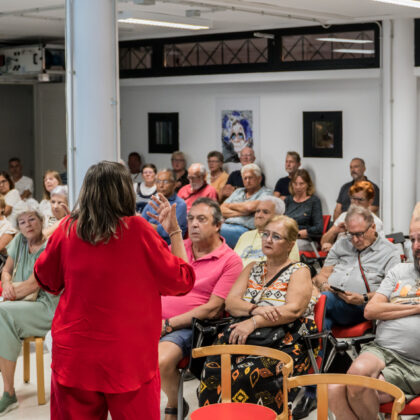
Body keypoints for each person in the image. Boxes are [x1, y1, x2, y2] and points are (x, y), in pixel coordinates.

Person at [34, 161, 196, 420]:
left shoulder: (67, 230)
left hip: (76, 353)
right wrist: (175, 231)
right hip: (128, 357)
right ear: (125, 192)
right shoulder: (138, 231)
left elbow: (46, 280)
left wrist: (59, 231)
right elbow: (182, 280)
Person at [198, 215, 318, 414]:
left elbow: (293, 310)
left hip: (287, 339)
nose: (268, 240)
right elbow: (231, 303)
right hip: (243, 335)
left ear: (290, 244)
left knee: (243, 375)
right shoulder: (253, 267)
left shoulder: (299, 270)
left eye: (276, 236)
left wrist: (254, 322)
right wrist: (255, 309)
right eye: (265, 234)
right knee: (213, 370)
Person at [328, 217, 420, 420]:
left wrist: (392, 308)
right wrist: (416, 308)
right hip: (382, 349)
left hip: (415, 363)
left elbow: (380, 309)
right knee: (334, 388)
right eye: (412, 240)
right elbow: (371, 310)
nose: (415, 247)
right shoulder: (400, 271)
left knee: (355, 389)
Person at [159, 197, 242, 420]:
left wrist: (167, 325)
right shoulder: (177, 247)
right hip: (155, 319)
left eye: (202, 219)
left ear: (218, 225)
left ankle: (174, 403)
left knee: (161, 361)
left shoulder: (230, 260)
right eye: (191, 219)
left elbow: (213, 309)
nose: (194, 224)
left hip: (189, 326)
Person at [0, 201, 60, 416]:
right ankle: (8, 389)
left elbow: (33, 285)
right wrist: (7, 283)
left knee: (2, 313)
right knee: (3, 317)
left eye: (32, 219)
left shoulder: (50, 247)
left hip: (47, 307)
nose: (28, 225)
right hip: (23, 302)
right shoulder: (19, 241)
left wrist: (9, 294)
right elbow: (6, 270)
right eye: (22, 222)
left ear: (41, 221)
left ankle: (9, 393)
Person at [314, 205, 400, 332]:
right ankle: (318, 344)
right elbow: (322, 275)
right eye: (351, 234)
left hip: (362, 308)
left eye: (359, 234)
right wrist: (325, 285)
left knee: (322, 301)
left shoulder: (389, 252)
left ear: (373, 227)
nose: (354, 240)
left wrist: (363, 298)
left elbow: (393, 291)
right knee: (319, 322)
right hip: (331, 302)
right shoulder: (342, 244)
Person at [234, 196, 300, 265]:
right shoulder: (245, 235)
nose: (259, 215)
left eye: (265, 212)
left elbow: (291, 267)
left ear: (277, 216)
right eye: (257, 211)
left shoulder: (285, 240)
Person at [321, 180, 384, 252]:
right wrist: (335, 231)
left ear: (370, 201)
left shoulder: (375, 222)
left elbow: (368, 250)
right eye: (353, 198)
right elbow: (323, 242)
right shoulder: (343, 216)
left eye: (360, 199)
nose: (356, 203)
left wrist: (335, 249)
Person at [220, 163, 272, 248]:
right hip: (227, 225)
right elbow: (221, 209)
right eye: (245, 178)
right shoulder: (238, 191)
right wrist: (242, 213)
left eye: (250, 177)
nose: (247, 181)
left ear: (259, 179)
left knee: (212, 231)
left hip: (245, 230)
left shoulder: (266, 193)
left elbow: (249, 207)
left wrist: (229, 206)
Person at [142, 169, 187, 244]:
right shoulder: (152, 202)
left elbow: (167, 232)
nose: (161, 185)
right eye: (158, 181)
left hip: (169, 246)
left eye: (165, 182)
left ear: (175, 184)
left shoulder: (180, 204)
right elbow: (140, 225)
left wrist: (148, 226)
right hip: (148, 243)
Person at [284, 169, 323, 251]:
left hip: (307, 240)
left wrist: (300, 233)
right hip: (287, 237)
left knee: (288, 247)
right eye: (295, 184)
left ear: (308, 184)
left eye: (301, 184)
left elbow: (319, 228)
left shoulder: (314, 201)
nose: (298, 187)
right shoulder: (288, 200)